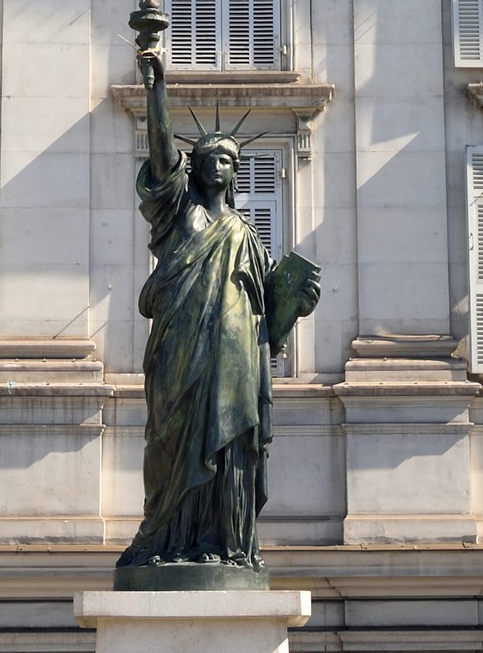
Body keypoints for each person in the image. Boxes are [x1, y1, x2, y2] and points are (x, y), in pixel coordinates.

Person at [117, 41, 320, 577]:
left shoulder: (248, 235)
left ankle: (222, 542)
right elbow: (161, 156)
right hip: (179, 350)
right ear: (196, 168)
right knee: (170, 444)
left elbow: (263, 322)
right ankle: (167, 537)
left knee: (229, 449)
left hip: (234, 357)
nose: (218, 163)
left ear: (235, 172)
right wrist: (156, 87)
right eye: (209, 156)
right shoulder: (176, 213)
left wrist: (293, 308)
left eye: (228, 157)